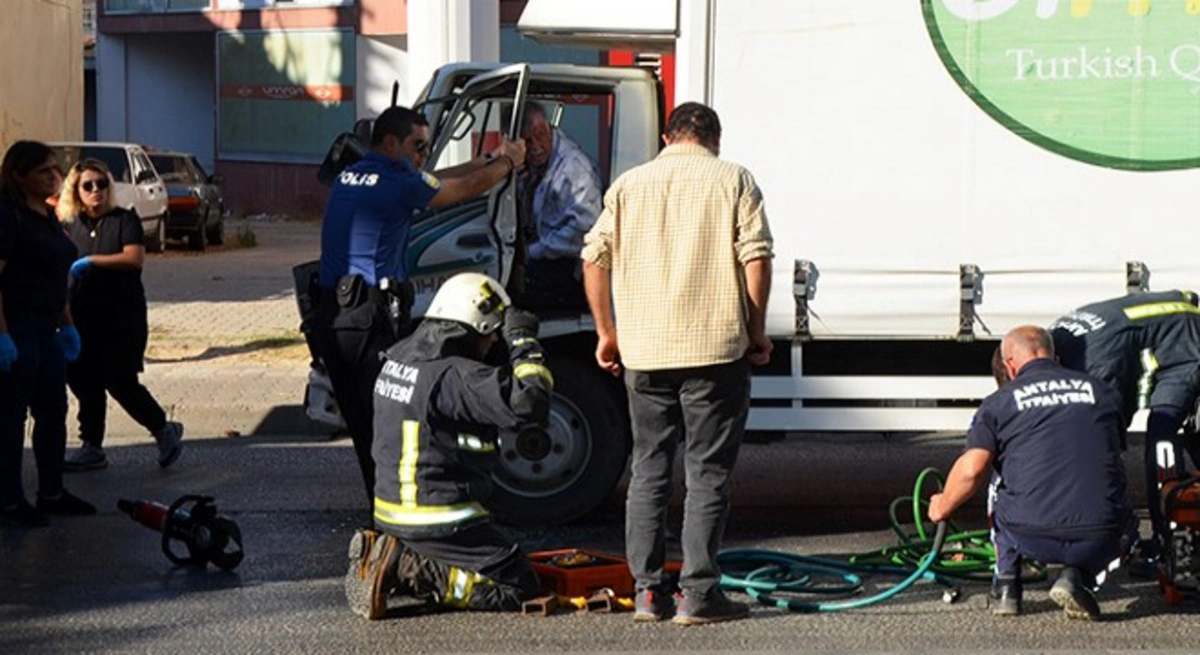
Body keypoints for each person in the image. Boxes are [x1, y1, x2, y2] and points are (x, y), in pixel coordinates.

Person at [580, 102, 774, 625]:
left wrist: (606, 332)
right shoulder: (733, 179)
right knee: (707, 473)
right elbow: (755, 256)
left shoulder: (628, 185)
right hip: (715, 350)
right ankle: (699, 595)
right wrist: (756, 331)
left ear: (668, 136)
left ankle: (646, 593)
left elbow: (592, 258)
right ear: (714, 138)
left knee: (649, 469)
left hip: (644, 352)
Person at [314, 105, 527, 510]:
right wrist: (505, 164)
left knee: (365, 425)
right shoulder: (396, 182)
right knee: (384, 423)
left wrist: (478, 160)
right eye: (418, 147)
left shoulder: (356, 174)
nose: (423, 155)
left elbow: (427, 179)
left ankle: (381, 514)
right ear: (390, 142)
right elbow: (455, 192)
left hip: (335, 315)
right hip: (367, 315)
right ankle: (394, 520)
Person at [344, 272, 552, 620]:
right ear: (477, 326)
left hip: (392, 512)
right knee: (517, 584)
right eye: (491, 336)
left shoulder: (398, 359)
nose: (491, 346)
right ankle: (408, 567)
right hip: (436, 517)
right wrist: (523, 342)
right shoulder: (455, 376)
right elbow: (530, 403)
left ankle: (388, 555)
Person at [928, 326, 1134, 620]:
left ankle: (1007, 586)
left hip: (1028, 535)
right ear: (1056, 357)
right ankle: (1080, 577)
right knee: (1122, 510)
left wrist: (943, 505)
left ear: (1008, 364)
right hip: (1100, 535)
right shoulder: (1103, 392)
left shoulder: (999, 402)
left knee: (996, 476)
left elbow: (972, 469)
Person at [1048, 290, 1200, 562]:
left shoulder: (1096, 361)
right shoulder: (1055, 336)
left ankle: (1170, 543)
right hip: (1169, 328)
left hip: (1186, 345)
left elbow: (1109, 428)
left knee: (1161, 437)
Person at [56, 159, 183, 471]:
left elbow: (134, 258)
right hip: (83, 315)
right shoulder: (71, 226)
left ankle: (161, 429)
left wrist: (94, 261)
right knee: (84, 380)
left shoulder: (124, 219)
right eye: (88, 185)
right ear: (76, 190)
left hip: (120, 317)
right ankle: (92, 446)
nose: (96, 190)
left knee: (120, 379)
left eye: (102, 184)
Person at [0, 140, 94, 527]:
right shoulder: (9, 216)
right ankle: (8, 500)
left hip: (48, 328)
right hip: (18, 329)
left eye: (56, 170)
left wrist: (68, 323)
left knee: (53, 411)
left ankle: (52, 491)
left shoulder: (47, 215)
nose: (54, 177)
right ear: (20, 175)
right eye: (44, 171)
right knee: (10, 417)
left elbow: (55, 276)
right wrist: (2, 335)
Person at [508, 101, 602, 307]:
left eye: (540, 135)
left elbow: (583, 229)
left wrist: (533, 252)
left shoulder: (573, 166)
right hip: (540, 251)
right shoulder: (532, 165)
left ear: (549, 128)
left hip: (568, 262)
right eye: (527, 141)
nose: (536, 147)